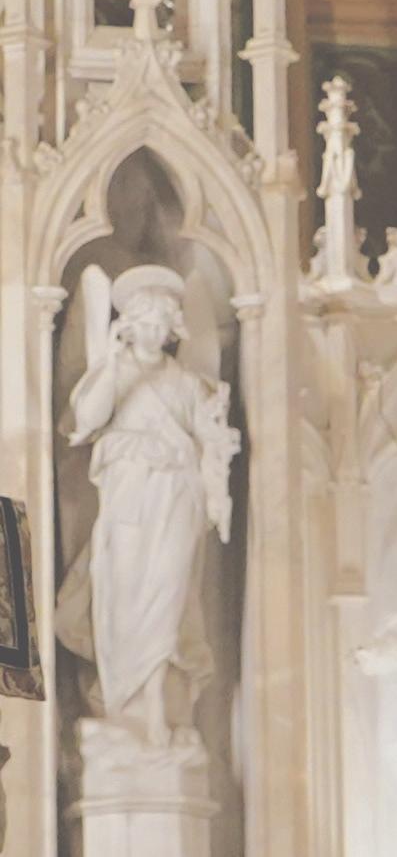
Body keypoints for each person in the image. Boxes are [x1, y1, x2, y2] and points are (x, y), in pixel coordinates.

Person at [55, 265, 238, 748]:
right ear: (129, 325)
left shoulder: (186, 382)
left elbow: (212, 444)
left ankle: (159, 709)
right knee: (123, 600)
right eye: (146, 322)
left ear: (174, 328)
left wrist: (217, 491)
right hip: (128, 503)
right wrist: (111, 362)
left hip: (176, 503)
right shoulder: (114, 374)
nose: (155, 332)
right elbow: (84, 420)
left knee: (168, 602)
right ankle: (124, 709)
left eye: (163, 323)